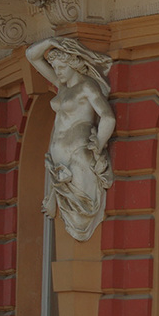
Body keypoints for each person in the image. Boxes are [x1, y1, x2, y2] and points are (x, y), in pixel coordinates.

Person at [26, 37, 116, 241]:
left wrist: (99, 145)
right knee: (71, 217)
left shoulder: (87, 86)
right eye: (55, 67)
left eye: (60, 67)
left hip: (79, 154)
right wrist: (50, 41)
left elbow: (108, 117)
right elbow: (32, 56)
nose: (56, 72)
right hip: (59, 160)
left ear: (72, 64)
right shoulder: (62, 85)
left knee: (81, 213)